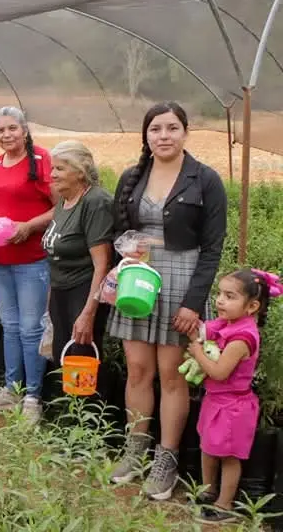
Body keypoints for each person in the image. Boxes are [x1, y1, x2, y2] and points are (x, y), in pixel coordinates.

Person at [108, 102, 227, 501]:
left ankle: (167, 459)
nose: (163, 135)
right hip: (139, 280)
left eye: (172, 128)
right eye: (156, 128)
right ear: (146, 135)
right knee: (138, 370)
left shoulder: (204, 180)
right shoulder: (132, 175)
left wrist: (193, 304)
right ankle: (136, 449)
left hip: (182, 281)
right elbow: (118, 232)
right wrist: (127, 252)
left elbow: (212, 249)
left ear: (185, 132)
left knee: (172, 375)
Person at [0, 107, 55, 424]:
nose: (7, 135)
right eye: (0, 130)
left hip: (31, 259)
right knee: (9, 327)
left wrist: (29, 226)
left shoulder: (40, 159)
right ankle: (12, 387)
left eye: (12, 128)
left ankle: (33, 396)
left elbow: (61, 206)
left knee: (30, 328)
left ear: (24, 130)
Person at [189, 269, 276, 523]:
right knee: (207, 447)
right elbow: (206, 332)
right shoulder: (229, 324)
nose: (220, 300)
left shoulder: (242, 337)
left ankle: (224, 504)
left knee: (228, 456)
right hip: (215, 401)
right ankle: (207, 492)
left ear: (252, 306)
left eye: (229, 296)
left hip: (233, 406)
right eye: (219, 294)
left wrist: (197, 353)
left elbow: (218, 371)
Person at [41, 140, 114, 389]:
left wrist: (88, 313)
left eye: (60, 169)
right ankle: (70, 420)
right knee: (65, 357)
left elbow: (102, 264)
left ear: (80, 171)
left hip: (83, 292)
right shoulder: (64, 200)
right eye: (53, 168)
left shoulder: (95, 202)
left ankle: (90, 420)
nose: (52, 175)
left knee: (83, 357)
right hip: (61, 291)